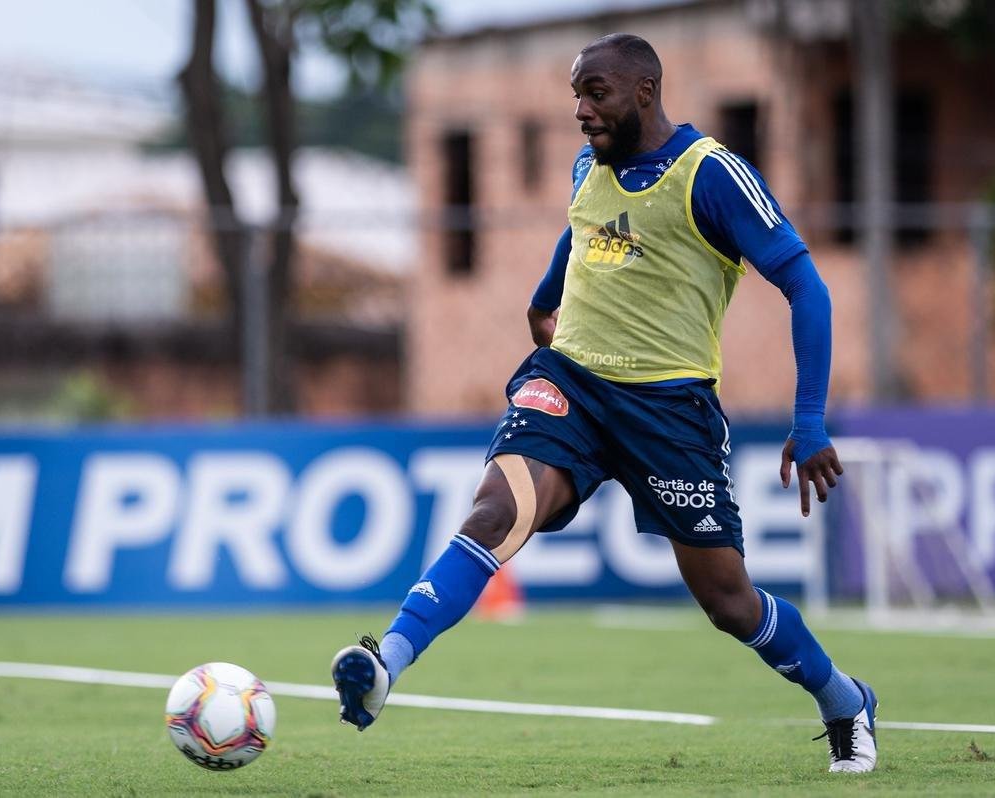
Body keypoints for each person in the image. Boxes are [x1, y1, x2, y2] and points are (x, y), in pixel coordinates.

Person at [332, 33, 877, 774]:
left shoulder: (710, 174)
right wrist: (544, 298)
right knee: (496, 512)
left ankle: (844, 699)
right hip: (574, 385)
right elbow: (584, 229)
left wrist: (808, 420)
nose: (581, 110)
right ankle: (386, 662)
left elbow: (807, 286)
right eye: (576, 95)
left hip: (669, 409)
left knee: (729, 602)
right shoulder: (588, 164)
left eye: (596, 93)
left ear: (645, 91)